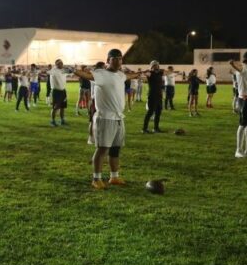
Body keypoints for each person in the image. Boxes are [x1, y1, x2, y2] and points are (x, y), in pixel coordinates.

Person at [72, 49, 129, 189]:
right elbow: (85, 75)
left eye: (120, 59)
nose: (118, 61)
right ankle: (96, 178)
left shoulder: (121, 75)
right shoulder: (100, 74)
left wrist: (141, 74)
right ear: (108, 60)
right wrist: (75, 69)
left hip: (118, 118)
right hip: (105, 118)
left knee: (116, 149)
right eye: (114, 59)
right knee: (102, 149)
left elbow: (130, 76)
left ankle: (114, 177)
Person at [143, 61, 165, 133]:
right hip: (152, 95)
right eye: (155, 65)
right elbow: (144, 73)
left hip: (159, 95)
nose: (157, 66)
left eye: (157, 65)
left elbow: (167, 72)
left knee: (158, 112)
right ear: (152, 66)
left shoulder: (159, 73)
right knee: (150, 112)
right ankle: (144, 129)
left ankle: (156, 128)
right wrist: (147, 71)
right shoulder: (150, 73)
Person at [47, 59, 69, 126]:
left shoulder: (63, 70)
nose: (62, 64)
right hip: (56, 91)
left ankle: (62, 120)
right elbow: (48, 72)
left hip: (63, 91)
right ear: (56, 64)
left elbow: (71, 71)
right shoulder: (54, 71)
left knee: (62, 107)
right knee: (55, 107)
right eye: (59, 63)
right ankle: (52, 121)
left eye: (62, 63)